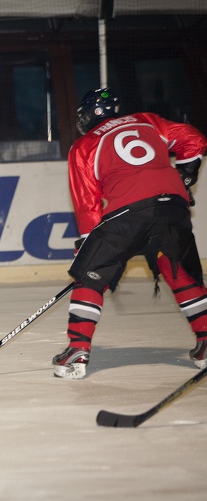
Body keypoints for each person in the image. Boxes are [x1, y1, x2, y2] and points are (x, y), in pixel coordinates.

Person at [52, 87, 207, 379]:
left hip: (129, 212)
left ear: (87, 116)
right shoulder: (148, 121)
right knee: (178, 269)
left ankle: (77, 350)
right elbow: (195, 140)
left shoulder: (84, 145)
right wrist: (186, 173)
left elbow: (88, 203)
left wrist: (87, 248)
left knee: (91, 276)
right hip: (173, 205)